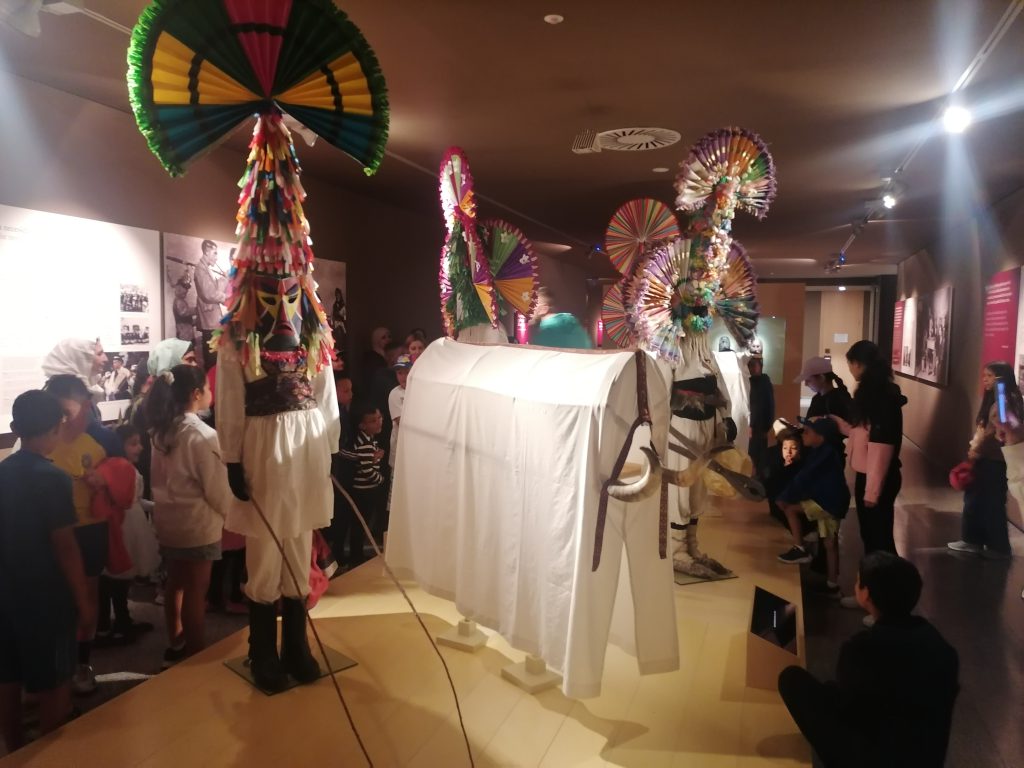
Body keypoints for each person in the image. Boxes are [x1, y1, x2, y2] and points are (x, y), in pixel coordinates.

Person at [778, 552, 959, 768]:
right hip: (927, 758)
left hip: (873, 759)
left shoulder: (862, 649)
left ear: (865, 594)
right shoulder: (941, 647)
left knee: (791, 679)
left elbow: (849, 710)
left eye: (858, 582)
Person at [0, 391, 93, 751]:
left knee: (7, 677)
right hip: (45, 596)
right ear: (57, 427)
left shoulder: (3, 472)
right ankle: (50, 753)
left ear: (14, 428)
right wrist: (83, 600)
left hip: (6, 590)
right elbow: (65, 547)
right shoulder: (53, 478)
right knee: (54, 681)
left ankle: (14, 749)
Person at [147, 365, 235, 667]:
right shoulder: (202, 435)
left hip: (168, 521)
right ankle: (196, 656)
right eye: (208, 388)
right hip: (197, 523)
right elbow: (216, 488)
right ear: (196, 394)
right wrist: (231, 513)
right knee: (197, 589)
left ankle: (176, 644)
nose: (211, 393)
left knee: (176, 582)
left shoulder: (161, 430)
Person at [41, 374, 122, 695]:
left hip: (90, 530)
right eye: (53, 412)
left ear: (86, 406)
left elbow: (127, 482)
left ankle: (82, 663)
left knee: (87, 597)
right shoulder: (42, 437)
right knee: (54, 599)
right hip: (49, 532)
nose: (59, 421)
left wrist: (106, 479)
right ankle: (54, 667)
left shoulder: (104, 440)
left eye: (66, 413)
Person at [833, 341, 905, 557]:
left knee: (878, 537)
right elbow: (863, 433)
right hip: (872, 474)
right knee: (872, 534)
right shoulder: (875, 392)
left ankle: (885, 578)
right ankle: (878, 576)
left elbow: (881, 446)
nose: (849, 369)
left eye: (850, 364)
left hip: (877, 476)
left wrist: (872, 490)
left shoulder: (880, 396)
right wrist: (835, 422)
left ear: (858, 363)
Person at [947, 361, 1021, 560]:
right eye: (984, 376)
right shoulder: (1002, 400)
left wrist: (976, 450)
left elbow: (998, 430)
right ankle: (978, 541)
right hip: (993, 459)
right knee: (981, 501)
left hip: (993, 460)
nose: (985, 380)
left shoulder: (1004, 401)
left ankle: (995, 546)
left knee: (988, 503)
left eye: (990, 376)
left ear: (1001, 378)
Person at [775, 420, 851, 595]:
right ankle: (832, 585)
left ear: (821, 436)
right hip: (831, 502)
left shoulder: (825, 453)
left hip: (828, 503)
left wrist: (785, 496)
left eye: (808, 432)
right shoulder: (823, 451)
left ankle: (800, 549)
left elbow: (804, 477)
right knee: (830, 544)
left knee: (790, 508)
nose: (804, 435)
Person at [339, 402, 386, 569]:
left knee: (360, 524)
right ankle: (356, 556)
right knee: (360, 525)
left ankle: (357, 554)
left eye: (379, 418)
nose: (379, 422)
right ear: (362, 425)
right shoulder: (365, 444)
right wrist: (381, 480)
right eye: (373, 420)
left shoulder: (368, 440)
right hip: (365, 491)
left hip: (364, 490)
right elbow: (367, 471)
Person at [798, 356, 853, 458]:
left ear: (822, 378)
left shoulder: (838, 399)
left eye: (808, 380)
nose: (805, 384)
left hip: (830, 456)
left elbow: (848, 429)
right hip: (815, 454)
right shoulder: (816, 398)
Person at [193, 240, 227, 369]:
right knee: (212, 358)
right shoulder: (201, 270)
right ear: (207, 252)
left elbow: (212, 289)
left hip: (211, 319)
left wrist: (223, 280)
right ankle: (211, 379)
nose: (216, 257)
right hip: (210, 321)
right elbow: (210, 294)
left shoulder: (205, 268)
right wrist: (226, 297)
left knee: (214, 356)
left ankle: (213, 378)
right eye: (215, 253)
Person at [529, 286, 593, 349]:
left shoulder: (545, 334)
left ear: (544, 309)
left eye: (531, 306)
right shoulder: (570, 321)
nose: (527, 311)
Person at [388, 354, 412, 492]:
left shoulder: (421, 392)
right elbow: (401, 422)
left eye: (407, 372)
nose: (403, 376)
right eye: (400, 373)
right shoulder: (395, 394)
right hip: (400, 450)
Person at [747, 355, 775, 477]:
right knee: (750, 452)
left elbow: (770, 405)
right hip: (750, 424)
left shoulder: (764, 382)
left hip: (760, 425)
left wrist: (767, 426)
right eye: (750, 366)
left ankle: (758, 479)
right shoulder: (748, 381)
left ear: (760, 366)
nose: (751, 368)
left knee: (758, 454)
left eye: (754, 365)